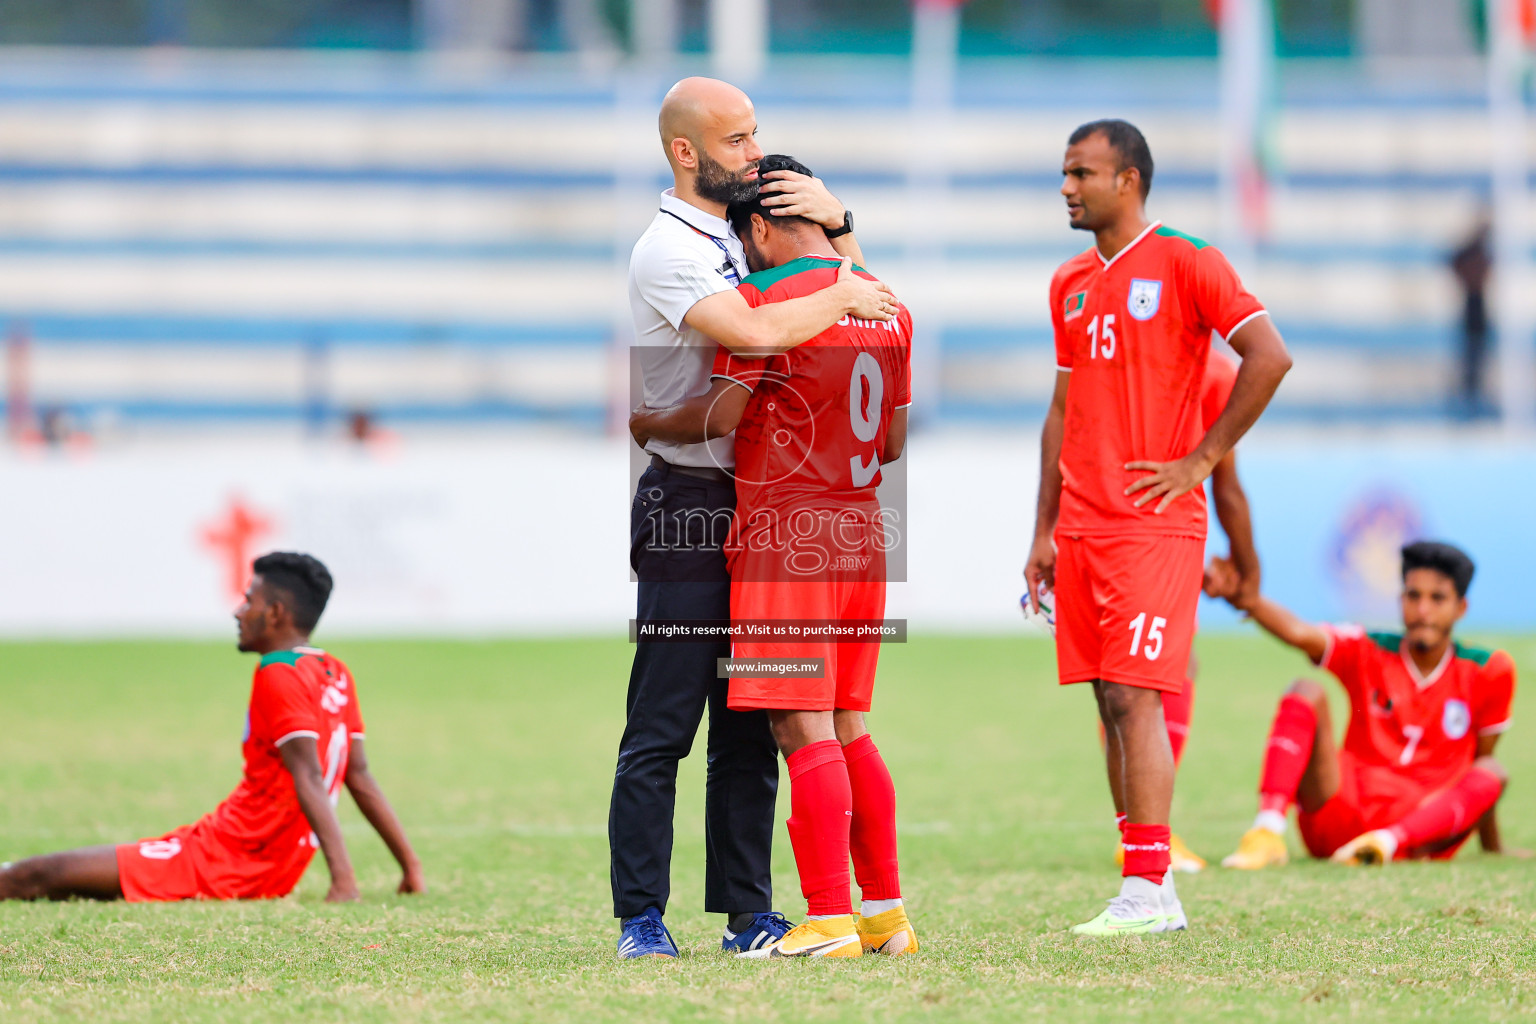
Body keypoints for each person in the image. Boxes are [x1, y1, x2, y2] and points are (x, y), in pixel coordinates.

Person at [615, 77, 896, 959]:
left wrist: (842, 229)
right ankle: (641, 918)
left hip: (764, 510)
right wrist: (848, 281)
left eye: (755, 137)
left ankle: (750, 914)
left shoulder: (747, 245)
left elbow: (825, 290)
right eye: (737, 142)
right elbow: (766, 329)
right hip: (691, 503)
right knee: (666, 718)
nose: (753, 155)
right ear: (685, 154)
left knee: (753, 722)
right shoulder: (667, 251)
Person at [1023, 119, 1292, 936]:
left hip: (1155, 525)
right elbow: (1062, 410)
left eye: (1082, 173)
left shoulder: (1188, 260)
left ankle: (1147, 888)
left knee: (1137, 695)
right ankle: (1151, 885)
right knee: (1110, 700)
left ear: (1128, 180)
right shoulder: (1068, 280)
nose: (1067, 187)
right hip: (1086, 526)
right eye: (1064, 173)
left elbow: (1269, 356)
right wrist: (1043, 528)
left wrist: (1201, 460)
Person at [0, 552, 423, 903]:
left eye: (248, 599)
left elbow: (309, 774)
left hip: (226, 857)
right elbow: (359, 774)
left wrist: (344, 881)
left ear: (275, 613)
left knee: (40, 874)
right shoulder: (335, 671)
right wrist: (411, 866)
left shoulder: (279, 671)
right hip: (265, 868)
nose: (239, 610)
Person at [1211, 541, 1519, 868]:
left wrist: (1492, 847)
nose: (1423, 610)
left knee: (1493, 771)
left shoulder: (1489, 669)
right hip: (1344, 813)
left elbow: (1480, 766)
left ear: (1460, 608)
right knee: (1306, 691)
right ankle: (1266, 832)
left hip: (1419, 831)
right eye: (1413, 596)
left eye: (1437, 598)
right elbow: (1300, 633)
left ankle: (1383, 844)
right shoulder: (1367, 649)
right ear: (1401, 600)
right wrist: (1248, 600)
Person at [1102, 347, 1261, 874]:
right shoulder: (1216, 372)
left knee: (1132, 679)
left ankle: (1140, 832)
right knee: (1138, 683)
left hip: (1107, 531)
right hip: (1153, 542)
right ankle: (1144, 837)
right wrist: (1246, 573)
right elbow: (1227, 483)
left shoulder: (1113, 350)